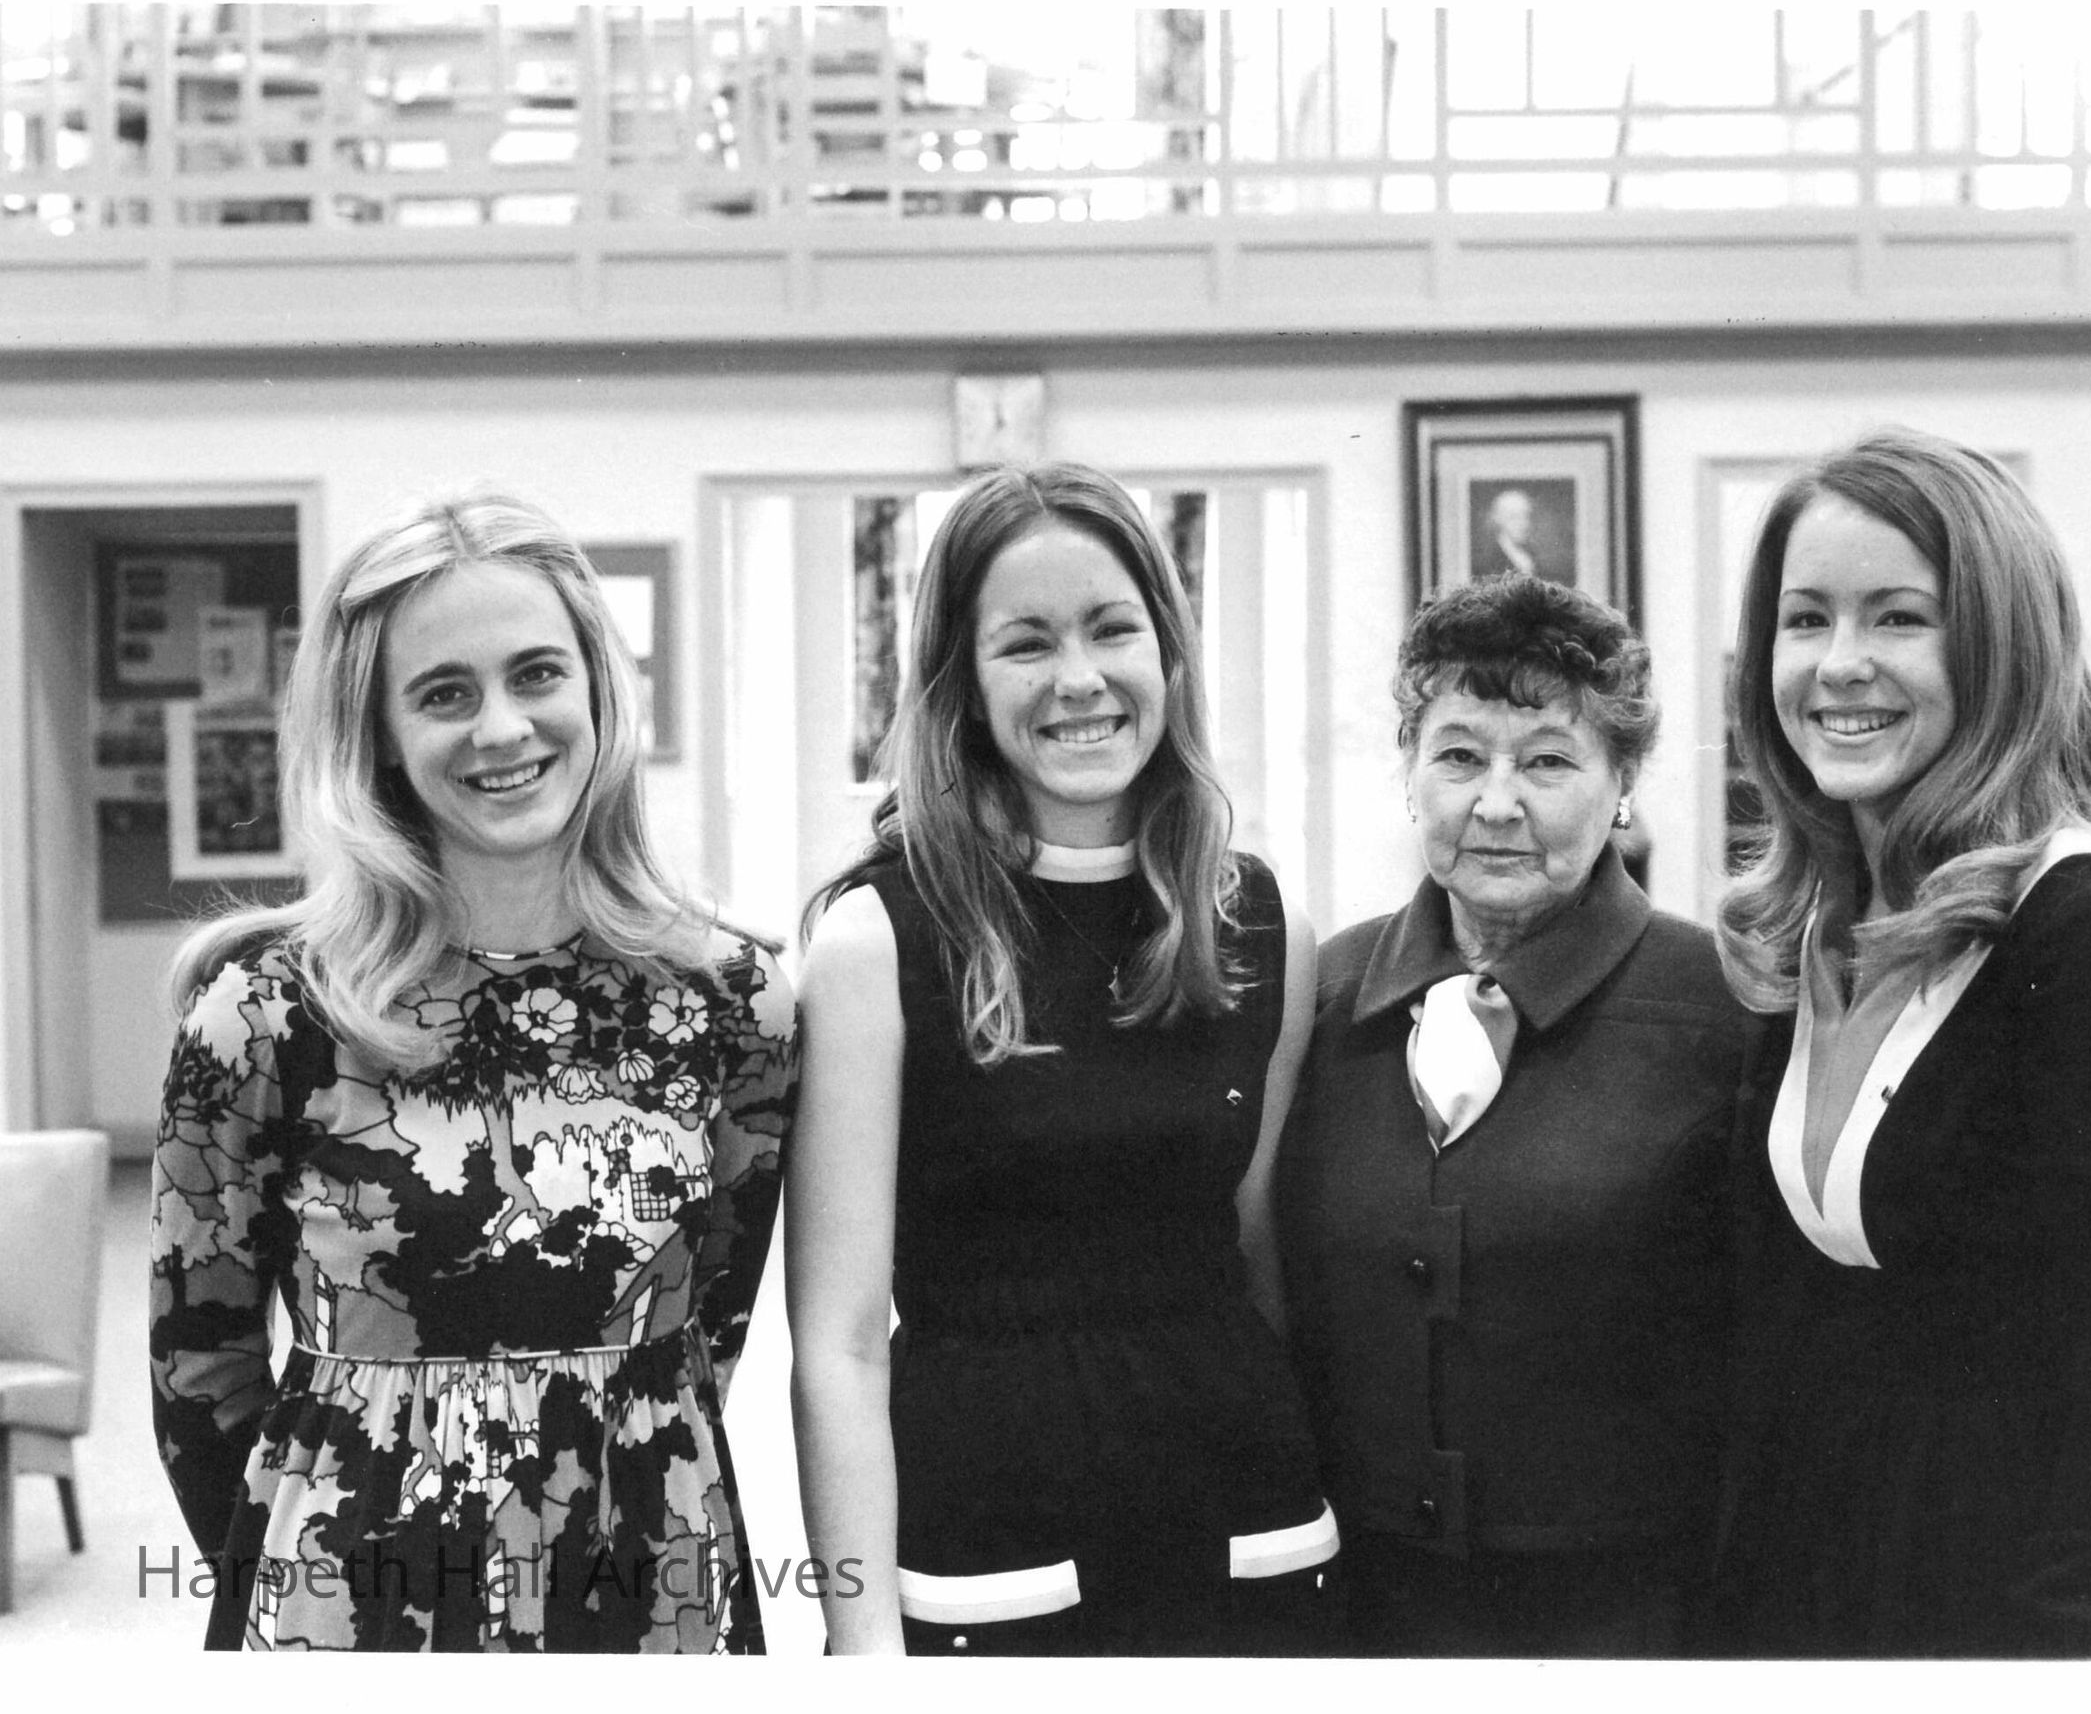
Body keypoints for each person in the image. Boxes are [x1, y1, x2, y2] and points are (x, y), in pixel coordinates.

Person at [149, 495, 797, 1652]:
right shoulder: (265, 1011)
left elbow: (708, 1335)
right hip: (350, 1604)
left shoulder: (731, 1001)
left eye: (537, 674)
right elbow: (201, 1376)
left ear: (597, 692)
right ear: (378, 735)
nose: (503, 728)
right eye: (444, 693)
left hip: (649, 1584)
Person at [1708, 427, 2091, 1657]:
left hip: (2019, 1617)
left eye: (1899, 618)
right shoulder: (1813, 924)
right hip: (1829, 1590)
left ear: (2001, 648)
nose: (1839, 664)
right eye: (1805, 619)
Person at [789, 462, 1332, 1655]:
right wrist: (860, 1647)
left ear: (1169, 651)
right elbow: (836, 1347)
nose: (1078, 678)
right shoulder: (877, 940)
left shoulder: (1261, 923)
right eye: (1025, 643)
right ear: (963, 683)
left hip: (1251, 1529)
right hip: (985, 1555)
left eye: (1111, 629)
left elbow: (1259, 1262)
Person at [1275, 572, 1746, 1656]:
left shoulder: (1725, 1009)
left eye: (1547, 761)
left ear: (1622, 783)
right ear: (1409, 772)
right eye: (1458, 756)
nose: (1496, 804)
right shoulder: (1320, 997)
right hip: (1364, 1619)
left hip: (1631, 1626)